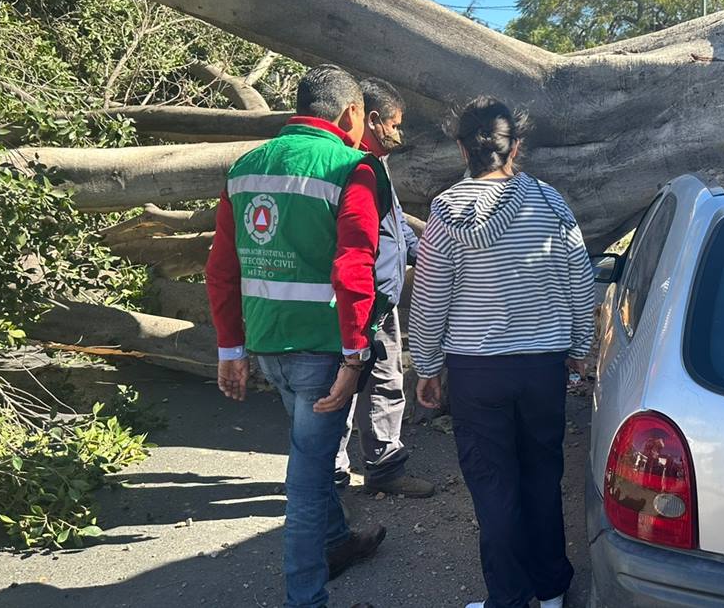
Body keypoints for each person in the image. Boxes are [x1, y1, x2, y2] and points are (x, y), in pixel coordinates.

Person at [205, 64, 396, 608]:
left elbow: (222, 267)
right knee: (309, 484)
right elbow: (355, 265)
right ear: (351, 113)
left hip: (268, 346)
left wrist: (231, 348)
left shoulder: (245, 167)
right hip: (324, 352)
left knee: (309, 454)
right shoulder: (354, 167)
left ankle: (335, 544)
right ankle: (306, 600)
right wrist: (357, 355)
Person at [409, 97, 596, 608]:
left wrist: (425, 366)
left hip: (477, 375)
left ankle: (509, 599)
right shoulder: (551, 202)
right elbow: (580, 278)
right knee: (542, 477)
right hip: (542, 370)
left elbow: (429, 298)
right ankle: (552, 588)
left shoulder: (447, 212)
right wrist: (581, 347)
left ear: (460, 145)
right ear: (515, 144)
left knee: (494, 489)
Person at [333, 77, 435, 499]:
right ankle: (333, 474)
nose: (399, 133)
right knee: (341, 388)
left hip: (382, 301)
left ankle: (384, 468)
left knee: (387, 381)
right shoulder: (347, 167)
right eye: (396, 123)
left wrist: (427, 255)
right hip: (357, 301)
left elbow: (394, 227)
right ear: (372, 120)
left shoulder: (377, 168)